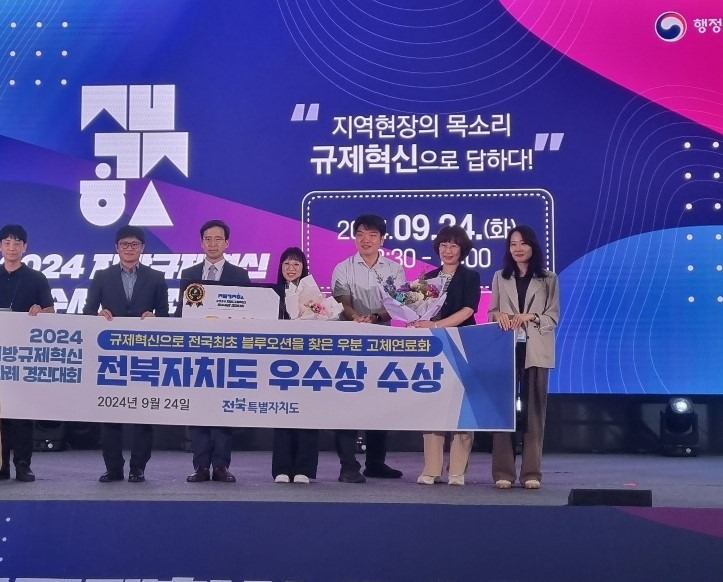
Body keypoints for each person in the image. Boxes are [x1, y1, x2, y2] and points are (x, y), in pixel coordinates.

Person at [83, 225, 169, 483]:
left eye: (134, 244)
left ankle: (138, 467)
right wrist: (98, 315)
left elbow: (166, 315)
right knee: (110, 413)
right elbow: (87, 312)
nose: (129, 248)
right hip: (110, 355)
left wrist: (155, 317)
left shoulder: (156, 277)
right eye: (124, 244)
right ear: (116, 247)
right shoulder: (102, 276)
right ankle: (113, 468)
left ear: (142, 248)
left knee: (143, 414)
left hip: (145, 355)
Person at [331, 213, 405, 483]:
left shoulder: (395, 269)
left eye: (372, 235)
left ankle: (375, 462)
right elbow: (342, 301)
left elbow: (398, 302)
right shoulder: (343, 267)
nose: (366, 240)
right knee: (347, 401)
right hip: (349, 341)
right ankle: (348, 466)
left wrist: (374, 318)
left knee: (379, 402)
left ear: (382, 239)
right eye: (361, 234)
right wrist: (357, 319)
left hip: (382, 341)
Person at [177, 219, 251, 483]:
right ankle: (200, 466)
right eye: (207, 239)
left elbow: (247, 313)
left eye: (218, 239)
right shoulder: (189, 274)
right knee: (198, 409)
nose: (212, 244)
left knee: (223, 409)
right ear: (201, 243)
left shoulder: (239, 275)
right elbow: (181, 313)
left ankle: (220, 465)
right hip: (196, 351)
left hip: (227, 352)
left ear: (227, 243)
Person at [488, 225, 559, 490]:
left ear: (533, 246)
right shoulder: (500, 276)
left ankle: (531, 472)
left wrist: (531, 317)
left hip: (536, 349)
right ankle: (503, 472)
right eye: (513, 244)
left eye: (523, 243)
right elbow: (491, 311)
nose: (518, 248)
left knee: (534, 411)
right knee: (503, 410)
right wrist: (499, 316)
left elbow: (553, 317)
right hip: (506, 349)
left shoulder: (548, 278)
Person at [411, 225, 481, 486]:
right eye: (443, 245)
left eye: (453, 246)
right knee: (433, 404)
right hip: (433, 347)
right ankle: (431, 468)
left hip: (463, 343)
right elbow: (418, 309)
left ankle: (457, 470)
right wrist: (416, 321)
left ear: (462, 250)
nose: (447, 250)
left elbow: (468, 310)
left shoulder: (470, 276)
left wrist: (437, 325)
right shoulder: (427, 278)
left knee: (462, 405)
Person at [0, 224, 55, 482]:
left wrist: (39, 312)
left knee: (21, 414)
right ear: (1, 246)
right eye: (7, 242)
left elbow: (51, 312)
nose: (12, 247)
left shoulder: (36, 278)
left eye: (17, 243)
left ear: (25, 247)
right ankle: (1, 466)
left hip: (23, 356)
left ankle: (23, 465)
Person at [271, 247, 320, 484]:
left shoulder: (312, 293)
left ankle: (304, 468)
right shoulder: (271, 293)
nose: (291, 268)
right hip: (279, 362)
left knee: (308, 413)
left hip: (308, 361)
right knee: (282, 412)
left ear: (303, 268)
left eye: (296, 264)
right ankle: (282, 467)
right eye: (287, 264)